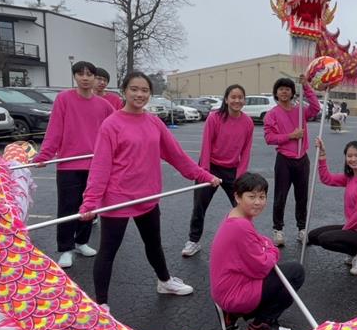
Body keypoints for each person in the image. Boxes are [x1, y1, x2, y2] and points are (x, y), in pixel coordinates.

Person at [79, 71, 221, 310]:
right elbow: (100, 167)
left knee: (153, 244)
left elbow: (176, 155)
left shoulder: (153, 121)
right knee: (108, 251)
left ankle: (164, 281)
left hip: (147, 196)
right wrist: (90, 203)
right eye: (134, 89)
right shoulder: (111, 124)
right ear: (124, 90)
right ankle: (101, 304)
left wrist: (203, 175)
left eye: (144, 90)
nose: (139, 94)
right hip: (118, 198)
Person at [33, 60, 115, 269]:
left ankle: (81, 242)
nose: (85, 78)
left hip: (96, 165)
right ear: (75, 77)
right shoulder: (64, 99)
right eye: (80, 74)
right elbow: (55, 129)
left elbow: (117, 131)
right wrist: (44, 155)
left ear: (95, 78)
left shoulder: (104, 105)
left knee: (90, 205)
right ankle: (66, 248)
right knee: (68, 206)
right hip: (69, 164)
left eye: (89, 74)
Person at [210, 172, 305, 330]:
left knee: (279, 268)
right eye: (251, 196)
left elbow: (260, 241)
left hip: (226, 288)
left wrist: (266, 247)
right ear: (237, 197)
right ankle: (262, 326)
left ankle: (231, 314)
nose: (258, 202)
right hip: (233, 293)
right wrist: (272, 251)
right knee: (295, 271)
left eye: (262, 197)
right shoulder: (240, 226)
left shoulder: (236, 216)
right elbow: (261, 268)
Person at [182, 84, 254, 257]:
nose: (237, 100)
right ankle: (193, 241)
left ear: (244, 100)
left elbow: (246, 151)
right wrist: (205, 172)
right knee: (199, 206)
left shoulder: (248, 122)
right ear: (226, 99)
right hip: (211, 167)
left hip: (232, 170)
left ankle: (244, 242)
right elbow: (206, 145)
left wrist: (241, 175)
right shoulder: (215, 118)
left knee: (242, 207)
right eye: (233, 97)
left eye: (240, 97)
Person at [263, 77, 320, 247]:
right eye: (281, 89)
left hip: (302, 159)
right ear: (276, 93)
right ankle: (278, 230)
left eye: (288, 89)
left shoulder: (300, 110)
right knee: (280, 196)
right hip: (284, 161)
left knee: (302, 196)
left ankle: (302, 229)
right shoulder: (272, 114)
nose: (284, 91)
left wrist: (306, 86)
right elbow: (269, 138)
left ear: (292, 92)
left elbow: (316, 107)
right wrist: (291, 136)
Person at [308, 138, 357, 275]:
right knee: (313, 236)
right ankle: (355, 250)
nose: (353, 159)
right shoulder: (350, 177)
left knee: (325, 239)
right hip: (353, 228)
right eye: (349, 156)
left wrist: (343, 232)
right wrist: (322, 156)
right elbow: (326, 179)